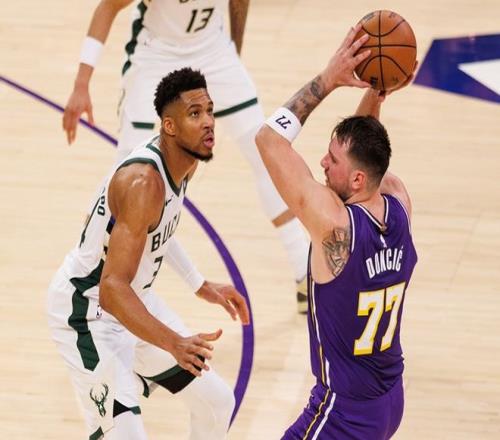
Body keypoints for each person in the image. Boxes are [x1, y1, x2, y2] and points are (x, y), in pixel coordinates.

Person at [62, 0, 310, 313]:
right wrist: (81, 84)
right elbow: (108, 7)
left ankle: (303, 270)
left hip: (213, 50)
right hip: (155, 55)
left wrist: (233, 51)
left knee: (263, 152)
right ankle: (89, 275)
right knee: (128, 175)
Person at [48, 68, 250, 440]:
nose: (208, 122)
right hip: (88, 313)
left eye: (209, 110)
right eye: (195, 114)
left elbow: (159, 230)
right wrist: (174, 342)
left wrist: (199, 284)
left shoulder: (183, 162)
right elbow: (111, 290)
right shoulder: (143, 183)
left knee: (217, 403)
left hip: (133, 303)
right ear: (169, 126)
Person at [255, 24, 418, 439]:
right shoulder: (399, 202)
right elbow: (367, 147)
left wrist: (329, 79)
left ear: (358, 179)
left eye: (331, 160)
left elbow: (269, 140)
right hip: (389, 400)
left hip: (343, 413)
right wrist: (377, 90)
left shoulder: (334, 226)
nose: (322, 164)